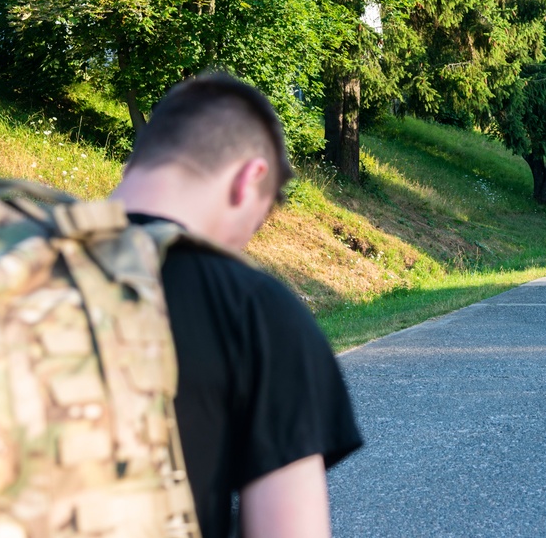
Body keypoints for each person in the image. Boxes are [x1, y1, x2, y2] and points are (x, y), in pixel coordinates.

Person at [110, 73, 363, 536]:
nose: (243, 248)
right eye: (256, 223)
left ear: (139, 160)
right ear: (250, 180)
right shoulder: (254, 310)